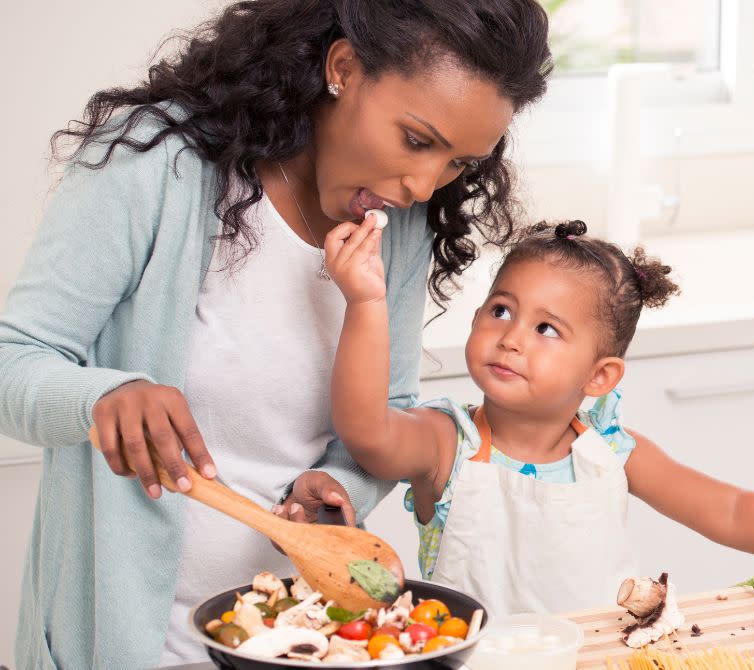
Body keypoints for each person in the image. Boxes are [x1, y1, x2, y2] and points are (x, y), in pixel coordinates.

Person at [0, 1, 553, 666]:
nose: (421, 185)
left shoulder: (396, 225)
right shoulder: (160, 165)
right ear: (342, 68)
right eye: (415, 140)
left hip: (296, 638)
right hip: (130, 645)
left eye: (459, 163)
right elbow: (14, 359)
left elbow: (387, 412)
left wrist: (341, 485)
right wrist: (103, 398)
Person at [323, 219, 754, 614]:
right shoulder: (447, 442)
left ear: (599, 377)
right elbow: (368, 432)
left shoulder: (611, 451)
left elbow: (730, 511)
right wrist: (367, 305)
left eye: (546, 329)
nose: (511, 337)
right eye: (502, 310)